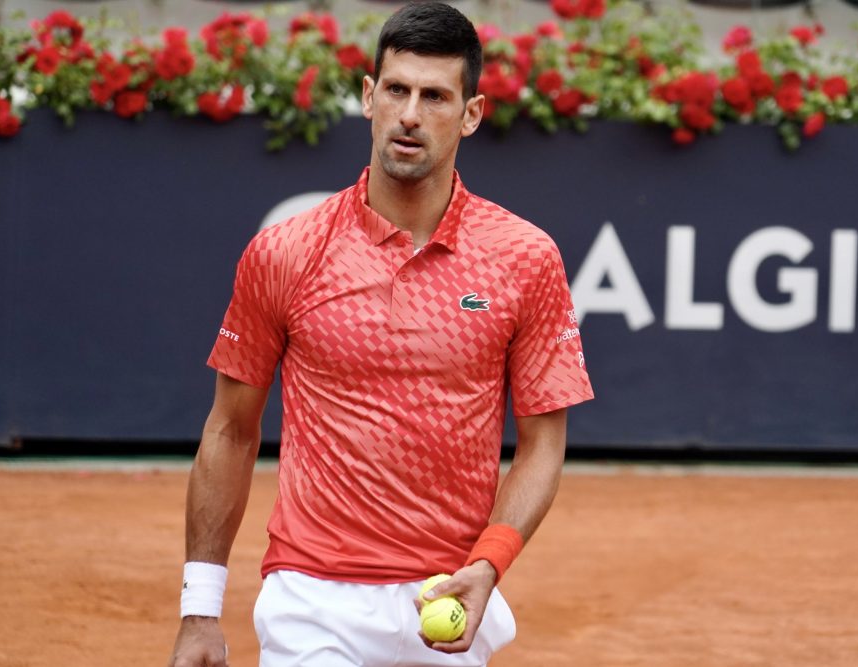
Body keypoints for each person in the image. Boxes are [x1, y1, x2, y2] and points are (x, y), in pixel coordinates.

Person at [167, 3, 593, 666]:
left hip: (449, 597)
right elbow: (230, 429)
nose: (410, 115)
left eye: (435, 96)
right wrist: (200, 608)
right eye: (396, 90)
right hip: (312, 597)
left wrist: (488, 564)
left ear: (472, 114)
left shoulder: (525, 258)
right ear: (369, 97)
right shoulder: (286, 251)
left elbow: (543, 444)